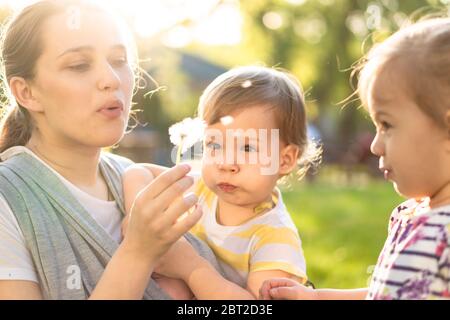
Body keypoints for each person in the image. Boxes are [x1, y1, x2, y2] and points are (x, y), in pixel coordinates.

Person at [0, 0, 222, 300]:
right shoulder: (8, 199)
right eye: (79, 65)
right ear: (26, 92)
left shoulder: (138, 181)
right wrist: (139, 252)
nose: (112, 79)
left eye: (119, 60)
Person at [260, 18, 450, 300]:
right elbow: (385, 293)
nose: (374, 146)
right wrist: (314, 297)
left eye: (386, 125)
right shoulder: (411, 215)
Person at [122, 66, 321, 298]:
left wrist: (191, 268)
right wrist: (136, 219)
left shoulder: (275, 238)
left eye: (247, 147)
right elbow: (137, 173)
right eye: (215, 145)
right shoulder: (200, 188)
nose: (226, 163)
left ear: (284, 160)